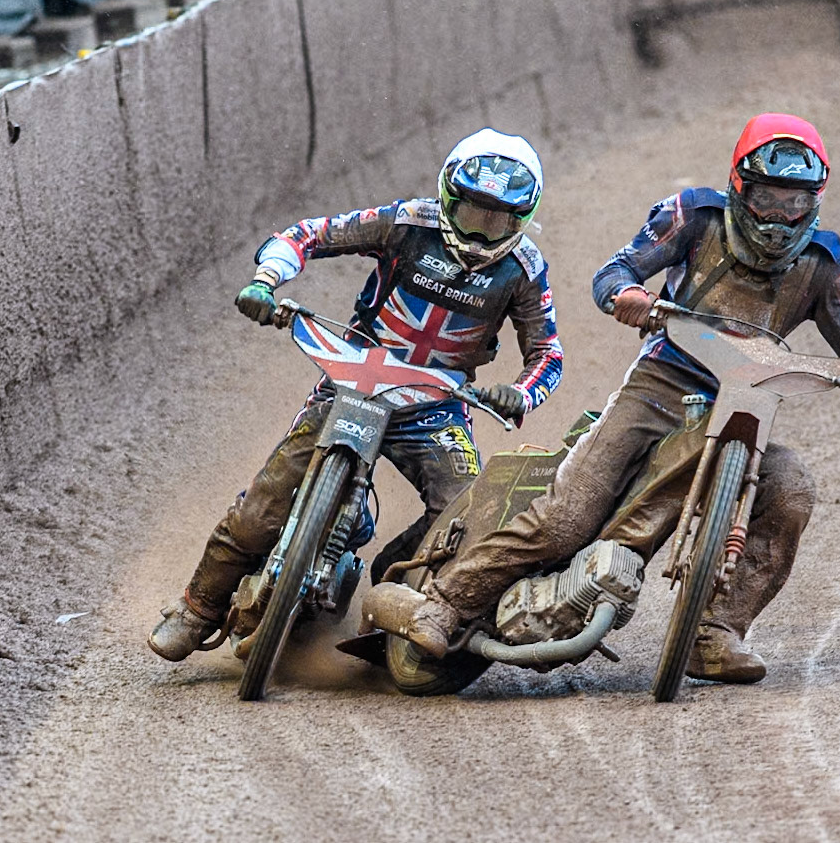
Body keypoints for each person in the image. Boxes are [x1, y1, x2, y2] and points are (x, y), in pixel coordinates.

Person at [364, 113, 840, 683]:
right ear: (740, 186)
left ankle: (717, 633)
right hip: (660, 386)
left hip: (749, 400)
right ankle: (448, 602)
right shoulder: (692, 216)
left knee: (791, 489)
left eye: (794, 202)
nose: (778, 216)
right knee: (567, 517)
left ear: (814, 201)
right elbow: (616, 269)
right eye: (768, 197)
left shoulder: (825, 260)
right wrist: (627, 294)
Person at [149, 128, 564, 661]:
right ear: (446, 198)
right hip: (352, 382)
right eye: (471, 215)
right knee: (261, 509)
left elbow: (548, 354)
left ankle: (397, 584)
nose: (483, 233)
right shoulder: (404, 223)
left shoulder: (525, 269)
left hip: (433, 406)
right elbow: (307, 234)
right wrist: (265, 281)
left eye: (500, 220)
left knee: (466, 517)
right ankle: (197, 607)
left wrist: (520, 395)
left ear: (523, 219)